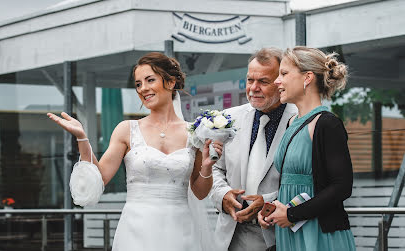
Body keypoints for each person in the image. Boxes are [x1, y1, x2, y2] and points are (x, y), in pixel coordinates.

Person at [47, 52, 223, 251]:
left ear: (171, 82)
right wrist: (82, 137)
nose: (143, 89)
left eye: (150, 80)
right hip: (137, 230)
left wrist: (207, 166)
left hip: (180, 229)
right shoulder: (126, 129)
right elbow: (100, 177)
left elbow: (200, 193)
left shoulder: (194, 133)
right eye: (138, 84)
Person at [258, 46, 356, 250]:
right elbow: (290, 183)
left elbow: (342, 186)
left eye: (284, 74)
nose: (277, 81)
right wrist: (273, 209)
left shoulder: (327, 124)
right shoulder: (291, 122)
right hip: (291, 232)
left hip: (319, 234)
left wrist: (292, 214)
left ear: (307, 77)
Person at [211, 48, 297, 251]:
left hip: (279, 238)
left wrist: (267, 202)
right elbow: (215, 168)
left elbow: (305, 181)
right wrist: (223, 195)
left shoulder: (299, 121)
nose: (253, 88)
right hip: (230, 237)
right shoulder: (228, 118)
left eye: (263, 82)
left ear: (280, 82)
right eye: (250, 80)